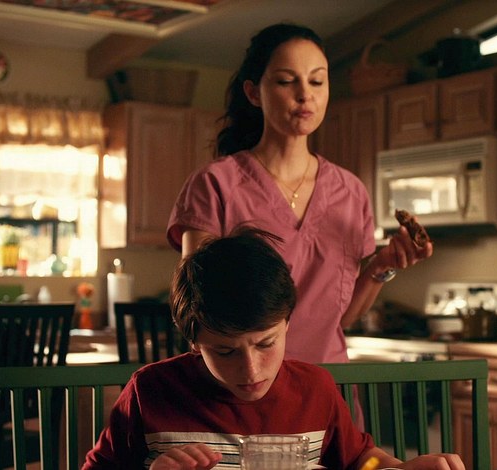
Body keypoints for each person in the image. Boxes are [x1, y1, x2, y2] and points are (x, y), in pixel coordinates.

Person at [82, 226, 463, 470]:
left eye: (266, 343)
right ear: (194, 341)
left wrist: (398, 468)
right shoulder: (150, 392)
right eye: (225, 352)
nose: (251, 370)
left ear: (287, 323)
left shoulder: (315, 389)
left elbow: (362, 461)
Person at [167, 23, 432, 365]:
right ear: (253, 93)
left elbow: (339, 321)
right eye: (285, 81)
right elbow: (199, 310)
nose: (305, 94)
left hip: (327, 382)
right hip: (248, 382)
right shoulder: (214, 184)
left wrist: (382, 265)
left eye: (317, 81)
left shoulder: (351, 192)